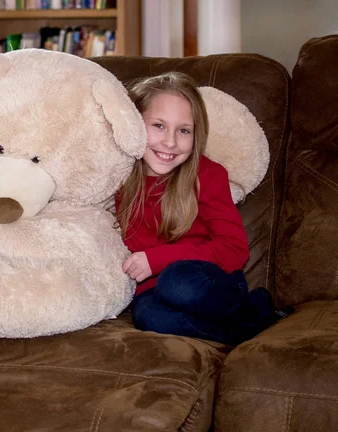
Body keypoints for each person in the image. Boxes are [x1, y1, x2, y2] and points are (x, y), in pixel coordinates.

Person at [116, 72, 288, 346]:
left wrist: (156, 260)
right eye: (158, 125)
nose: (170, 142)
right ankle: (249, 324)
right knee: (150, 318)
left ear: (197, 135)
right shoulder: (117, 178)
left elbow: (234, 249)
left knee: (177, 282)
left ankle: (249, 306)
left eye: (183, 130)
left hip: (208, 283)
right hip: (152, 292)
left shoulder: (207, 175)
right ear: (134, 124)